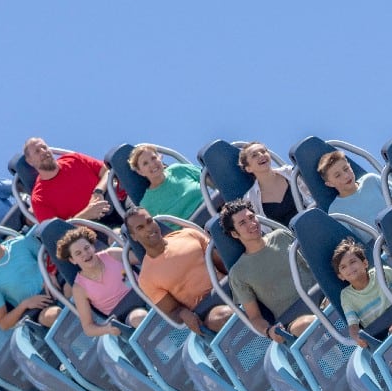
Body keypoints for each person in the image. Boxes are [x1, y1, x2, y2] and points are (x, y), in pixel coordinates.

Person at [219, 200, 315, 341]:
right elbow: (255, 317)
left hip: (320, 298)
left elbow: (311, 267)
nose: (251, 224)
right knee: (309, 324)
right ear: (234, 234)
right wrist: (269, 331)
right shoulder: (238, 273)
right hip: (295, 319)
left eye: (251, 217)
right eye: (242, 223)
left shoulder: (281, 236)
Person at [125, 208, 232, 333]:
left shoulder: (189, 235)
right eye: (140, 228)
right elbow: (172, 311)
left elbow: (224, 265)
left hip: (231, 287)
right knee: (226, 315)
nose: (148, 228)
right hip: (209, 309)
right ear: (134, 237)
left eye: (149, 221)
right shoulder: (146, 278)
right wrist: (182, 313)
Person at [0, 216, 58, 330]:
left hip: (56, 285)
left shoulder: (22, 242)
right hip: (40, 309)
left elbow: (52, 257)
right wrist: (25, 304)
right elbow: (3, 323)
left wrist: (51, 273)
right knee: (55, 315)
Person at [57, 228, 149, 337]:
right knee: (139, 317)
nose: (85, 254)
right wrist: (107, 329)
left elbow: (146, 259)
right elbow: (88, 328)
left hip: (147, 292)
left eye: (87, 248)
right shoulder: (79, 289)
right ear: (73, 260)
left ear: (93, 246)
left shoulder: (113, 255)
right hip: (129, 314)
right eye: (78, 253)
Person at [21, 137, 110, 223]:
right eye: (37, 151)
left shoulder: (74, 159)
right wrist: (86, 215)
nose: (43, 152)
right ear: (30, 161)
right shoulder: (39, 199)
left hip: (113, 201)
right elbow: (58, 233)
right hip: (94, 230)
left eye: (44, 147)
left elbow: (107, 171)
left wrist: (98, 191)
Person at [332, 238, 392, 346]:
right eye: (343, 267)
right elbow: (353, 324)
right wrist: (357, 337)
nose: (350, 268)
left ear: (365, 263)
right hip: (379, 336)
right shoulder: (346, 296)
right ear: (341, 276)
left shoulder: (381, 272)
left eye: (352, 262)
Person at [130, 144, 206, 221]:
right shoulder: (146, 204)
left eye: (153, 158)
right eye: (145, 163)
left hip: (212, 208)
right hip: (191, 230)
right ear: (140, 172)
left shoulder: (179, 170)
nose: (152, 164)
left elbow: (210, 179)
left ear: (160, 157)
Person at [317, 150, 385, 227]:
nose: (346, 176)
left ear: (350, 166)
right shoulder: (336, 210)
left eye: (346, 169)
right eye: (338, 175)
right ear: (330, 184)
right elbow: (350, 238)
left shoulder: (371, 180)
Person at [239, 142, 302, 224]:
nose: (261, 155)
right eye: (254, 155)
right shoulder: (250, 198)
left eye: (263, 151)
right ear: (248, 168)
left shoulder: (291, 172)